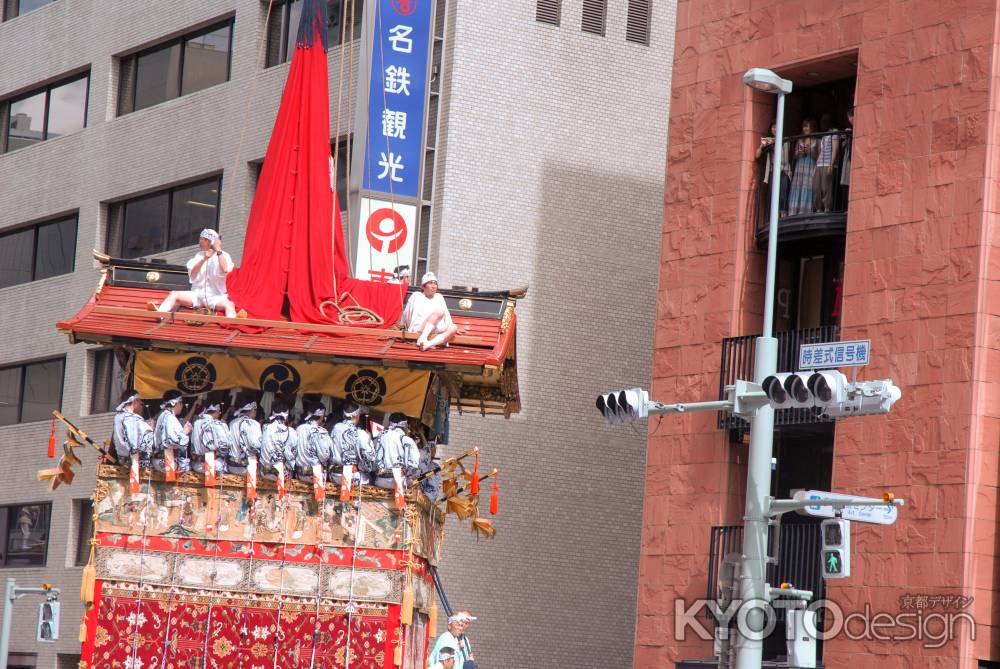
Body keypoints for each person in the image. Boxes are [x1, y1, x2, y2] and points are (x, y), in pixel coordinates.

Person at [149, 229, 244, 318]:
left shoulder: (224, 255)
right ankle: (160, 314)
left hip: (215, 296)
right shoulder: (199, 255)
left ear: (208, 241)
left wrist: (218, 250)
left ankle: (232, 321)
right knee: (174, 294)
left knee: (229, 304)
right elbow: (193, 273)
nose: (199, 242)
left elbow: (225, 269)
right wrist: (204, 259)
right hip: (197, 294)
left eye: (201, 239)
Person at [401, 272, 460, 351]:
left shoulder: (439, 297)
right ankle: (423, 337)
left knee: (454, 327)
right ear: (423, 286)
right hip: (420, 327)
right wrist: (407, 327)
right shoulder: (416, 295)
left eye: (435, 283)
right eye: (430, 283)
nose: (433, 286)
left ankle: (428, 344)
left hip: (436, 328)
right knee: (439, 312)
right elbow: (407, 314)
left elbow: (446, 314)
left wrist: (450, 325)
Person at [755, 121, 790, 218]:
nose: (774, 129)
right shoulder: (769, 141)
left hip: (783, 171)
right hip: (772, 171)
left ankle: (782, 216)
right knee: (772, 195)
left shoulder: (785, 141)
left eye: (776, 127)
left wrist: (774, 146)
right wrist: (762, 146)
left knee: (782, 194)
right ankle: (772, 217)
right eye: (773, 127)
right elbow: (757, 155)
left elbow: (784, 159)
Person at [374, 413, 419, 487]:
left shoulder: (380, 436)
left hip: (380, 481)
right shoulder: (407, 440)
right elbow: (414, 464)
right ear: (405, 426)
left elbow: (373, 459)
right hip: (398, 482)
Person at [112, 390, 155, 467]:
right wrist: (150, 429)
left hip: (122, 456)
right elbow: (134, 441)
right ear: (134, 401)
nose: (140, 404)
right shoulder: (131, 418)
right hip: (133, 459)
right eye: (139, 401)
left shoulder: (118, 416)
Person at [153, 390, 192, 474]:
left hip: (160, 458)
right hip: (167, 460)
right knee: (188, 466)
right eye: (181, 403)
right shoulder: (170, 417)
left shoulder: (163, 415)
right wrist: (185, 432)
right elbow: (173, 440)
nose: (182, 406)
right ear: (177, 403)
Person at [191, 402, 235, 475]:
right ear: (216, 411)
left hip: (197, 465)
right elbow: (226, 444)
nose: (220, 413)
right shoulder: (218, 424)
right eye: (219, 411)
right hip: (214, 465)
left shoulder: (196, 423)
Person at [786, 117, 818, 216]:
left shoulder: (816, 140)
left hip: (810, 165)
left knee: (807, 186)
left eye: (807, 127)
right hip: (800, 165)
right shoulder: (800, 139)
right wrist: (799, 152)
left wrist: (809, 151)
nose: (805, 129)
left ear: (812, 128)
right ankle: (794, 211)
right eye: (804, 127)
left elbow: (818, 156)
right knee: (798, 186)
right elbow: (795, 155)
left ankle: (805, 211)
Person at [295, 404, 333, 482]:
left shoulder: (299, 428)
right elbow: (324, 456)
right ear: (322, 416)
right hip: (315, 474)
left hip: (299, 473)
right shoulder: (320, 431)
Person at [260, 401, 298, 481]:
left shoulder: (265, 428)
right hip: (282, 474)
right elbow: (293, 454)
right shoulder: (291, 431)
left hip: (264, 472)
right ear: (287, 416)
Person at [812, 113, 840, 213]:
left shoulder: (835, 132)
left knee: (826, 187)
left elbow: (835, 149)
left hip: (828, 163)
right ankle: (818, 208)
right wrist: (815, 167)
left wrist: (831, 164)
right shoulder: (824, 135)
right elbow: (821, 152)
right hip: (820, 164)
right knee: (816, 187)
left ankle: (827, 208)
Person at [330, 401, 364, 482]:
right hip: (352, 475)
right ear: (357, 415)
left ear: (343, 415)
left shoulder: (335, 428)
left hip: (334, 475)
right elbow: (368, 459)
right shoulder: (359, 433)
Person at [228, 400, 262, 475]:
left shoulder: (232, 423)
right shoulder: (254, 424)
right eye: (256, 410)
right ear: (253, 409)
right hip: (246, 467)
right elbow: (256, 446)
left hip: (231, 465)